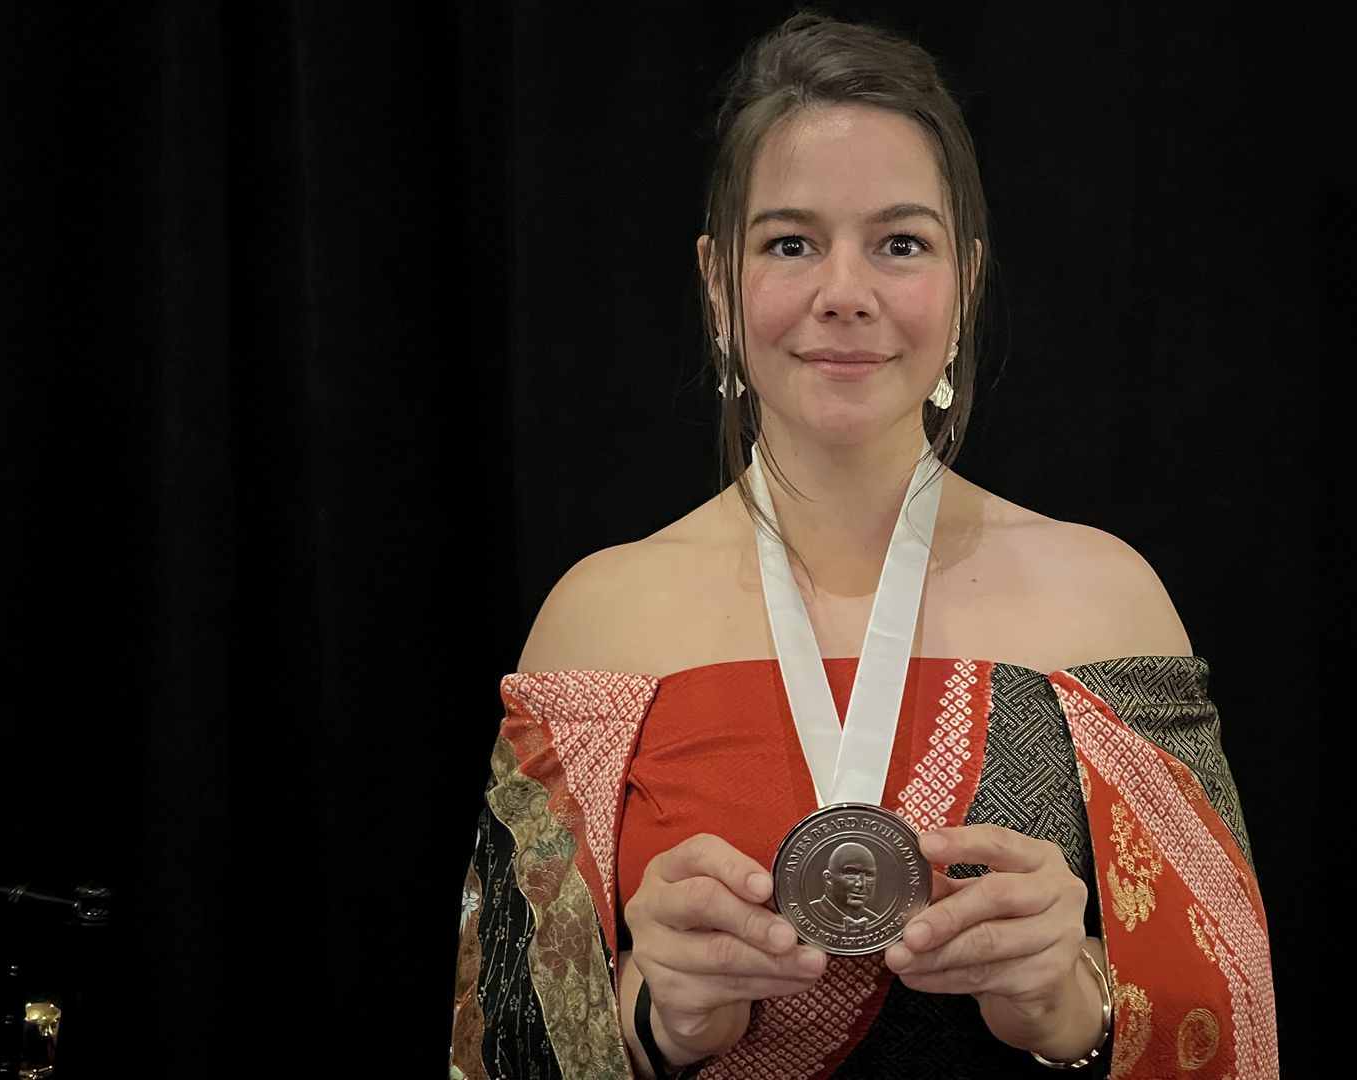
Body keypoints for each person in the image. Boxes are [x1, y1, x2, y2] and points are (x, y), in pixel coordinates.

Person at [450, 11, 1275, 1079]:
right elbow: (495, 1048)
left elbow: (1236, 1041)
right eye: (790, 242)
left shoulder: (1111, 605)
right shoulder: (599, 619)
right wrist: (659, 1020)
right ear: (717, 284)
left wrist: (1075, 1009)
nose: (845, 292)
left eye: (900, 243)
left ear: (965, 281)